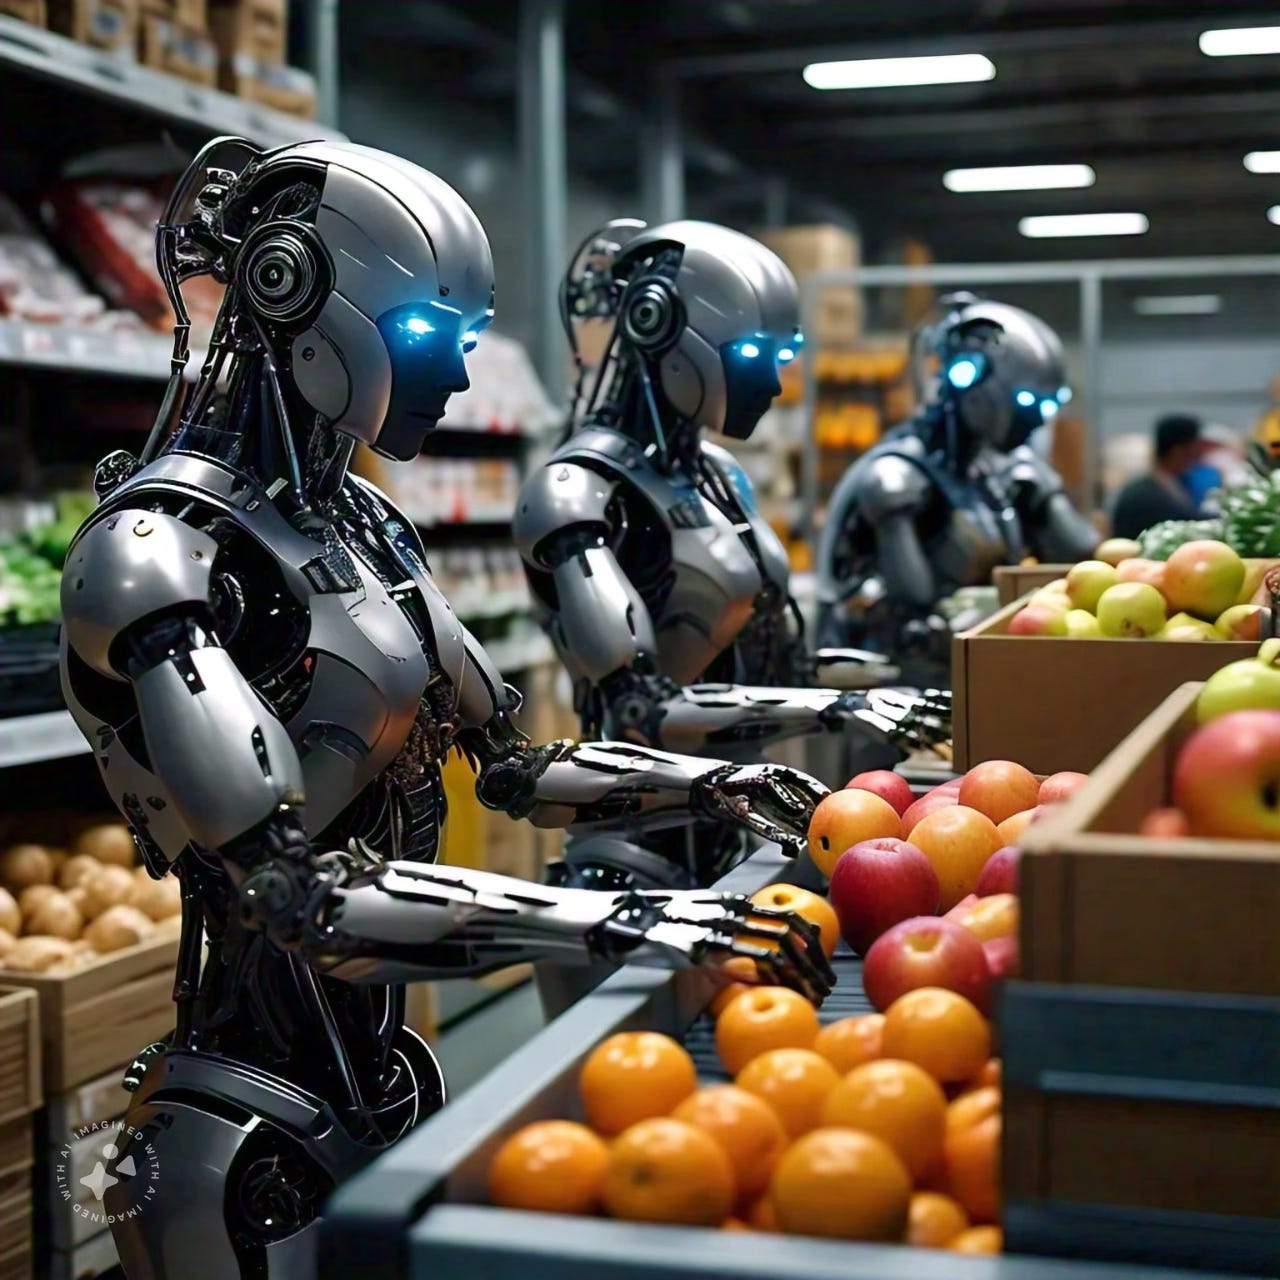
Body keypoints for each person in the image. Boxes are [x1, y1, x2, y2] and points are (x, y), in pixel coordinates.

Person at [59, 139, 834, 1280]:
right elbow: (299, 892)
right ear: (289, 290)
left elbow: (513, 768)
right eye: (427, 339)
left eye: (459, 344)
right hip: (237, 1126)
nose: (456, 380)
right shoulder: (154, 558)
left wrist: (709, 782)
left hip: (387, 1073)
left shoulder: (369, 529)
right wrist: (617, 924)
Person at [515, 218, 951, 891]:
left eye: (778, 359)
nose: (772, 386)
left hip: (742, 831)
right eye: (750, 358)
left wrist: (902, 687)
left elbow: (786, 665)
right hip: (637, 857)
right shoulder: (577, 492)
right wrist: (837, 710)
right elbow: (641, 712)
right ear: (657, 326)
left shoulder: (718, 472)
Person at [816, 292, 1099, 678]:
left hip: (984, 671)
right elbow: (912, 601)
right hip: (901, 686)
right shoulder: (896, 477)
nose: (1032, 421)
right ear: (968, 379)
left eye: (1046, 407)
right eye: (1026, 402)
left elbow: (1085, 559)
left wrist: (1044, 497)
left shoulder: (1004, 473)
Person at [1110, 414, 1209, 538]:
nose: (1198, 457)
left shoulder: (1170, 483)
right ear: (1177, 452)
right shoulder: (1144, 495)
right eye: (1195, 450)